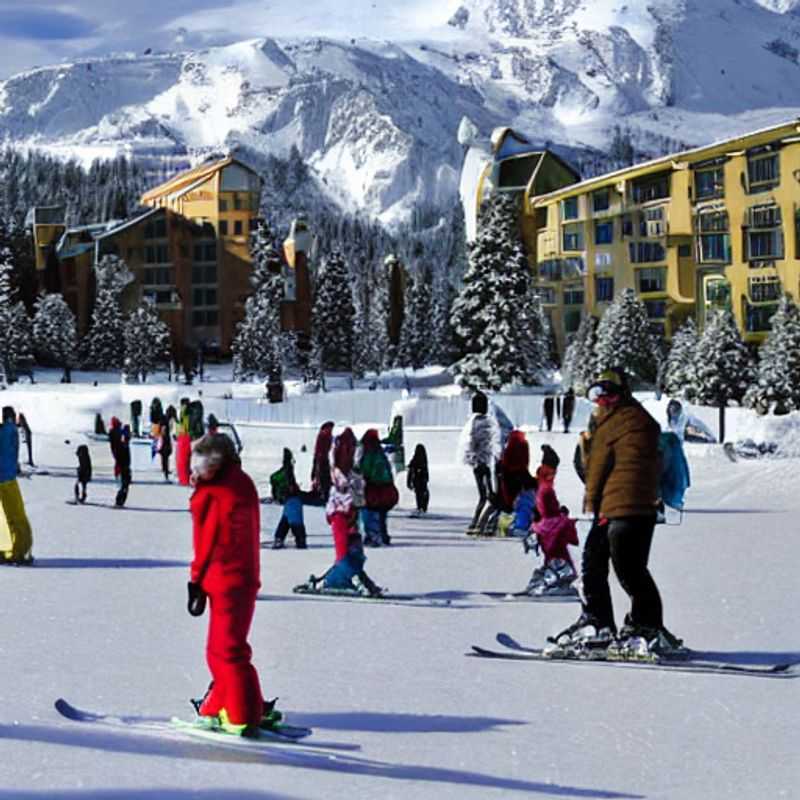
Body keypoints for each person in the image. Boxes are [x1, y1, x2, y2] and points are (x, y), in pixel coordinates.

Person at [547, 369, 681, 659]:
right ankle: (614, 623)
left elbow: (594, 471)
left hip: (623, 507)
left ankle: (635, 626)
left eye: (606, 393)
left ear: (619, 394)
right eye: (597, 394)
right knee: (604, 564)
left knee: (623, 568)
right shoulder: (636, 418)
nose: (601, 400)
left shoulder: (615, 422)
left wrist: (592, 497)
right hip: (633, 507)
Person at [187, 433, 273, 737]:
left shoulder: (215, 491)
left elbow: (206, 540)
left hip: (223, 577)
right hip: (243, 577)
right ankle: (221, 706)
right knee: (230, 648)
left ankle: (241, 714)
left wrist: (196, 579)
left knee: (224, 652)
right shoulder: (241, 481)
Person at [318, 428, 382, 595]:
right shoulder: (339, 473)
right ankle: (334, 581)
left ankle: (346, 578)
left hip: (351, 514)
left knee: (355, 553)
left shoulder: (354, 472)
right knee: (345, 554)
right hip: (340, 513)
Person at [459, 391, 500, 535]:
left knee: (486, 495)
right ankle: (478, 523)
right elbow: (484, 443)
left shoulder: (473, 421)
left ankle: (478, 522)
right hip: (483, 464)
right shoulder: (482, 422)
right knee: (487, 496)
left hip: (480, 463)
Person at [526, 484, 579, 595]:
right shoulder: (563, 522)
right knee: (550, 571)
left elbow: (531, 542)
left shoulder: (538, 525)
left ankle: (550, 584)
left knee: (548, 571)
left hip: (555, 563)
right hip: (562, 564)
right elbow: (575, 539)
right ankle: (555, 584)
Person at [0, 406, 34, 565]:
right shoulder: (10, 430)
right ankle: (20, 550)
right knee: (16, 515)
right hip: (7, 478)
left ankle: (8, 549)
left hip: (5, 476)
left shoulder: (6, 430)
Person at [358, 428, 397, 546]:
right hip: (386, 488)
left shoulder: (369, 453)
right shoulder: (381, 453)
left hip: (373, 488)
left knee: (370, 512)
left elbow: (365, 470)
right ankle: (383, 535)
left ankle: (373, 536)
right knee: (382, 514)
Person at [270, 449, 307, 549]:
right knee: (294, 516)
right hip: (291, 497)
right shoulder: (287, 471)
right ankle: (300, 538)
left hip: (288, 497)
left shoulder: (287, 471)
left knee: (287, 517)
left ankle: (279, 537)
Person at [310, 421, 334, 503]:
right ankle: (322, 494)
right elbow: (321, 449)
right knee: (322, 477)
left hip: (322, 458)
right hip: (321, 459)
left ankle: (322, 493)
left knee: (323, 477)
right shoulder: (324, 435)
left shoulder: (325, 435)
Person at [406, 444, 429, 517]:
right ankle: (422, 507)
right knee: (423, 494)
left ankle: (420, 507)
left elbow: (410, 471)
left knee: (419, 494)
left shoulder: (414, 460)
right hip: (422, 481)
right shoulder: (423, 460)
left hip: (417, 480)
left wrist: (409, 482)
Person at [176, 398, 192, 486]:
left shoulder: (183, 411)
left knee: (182, 460)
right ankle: (185, 479)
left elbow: (182, 424)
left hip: (183, 436)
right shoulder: (186, 411)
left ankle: (184, 479)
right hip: (186, 436)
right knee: (185, 460)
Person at [115, 425, 132, 507]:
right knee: (124, 486)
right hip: (123, 468)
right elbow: (119, 458)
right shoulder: (122, 445)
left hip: (125, 468)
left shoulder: (124, 445)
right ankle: (119, 501)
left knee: (124, 486)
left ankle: (120, 501)